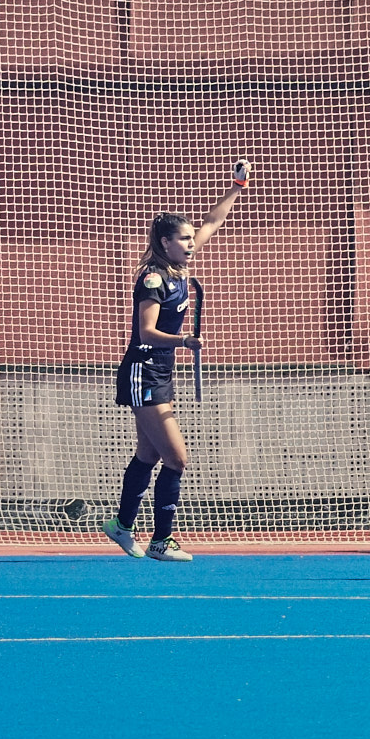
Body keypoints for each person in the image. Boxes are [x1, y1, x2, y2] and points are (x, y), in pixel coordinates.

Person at [104, 162, 251, 563]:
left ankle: (121, 525)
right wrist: (184, 340)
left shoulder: (180, 267)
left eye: (190, 238)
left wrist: (236, 187)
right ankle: (161, 540)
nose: (191, 243)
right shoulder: (153, 279)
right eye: (183, 239)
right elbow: (146, 332)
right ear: (166, 242)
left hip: (162, 373)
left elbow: (212, 222)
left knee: (148, 455)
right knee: (177, 458)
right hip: (143, 371)